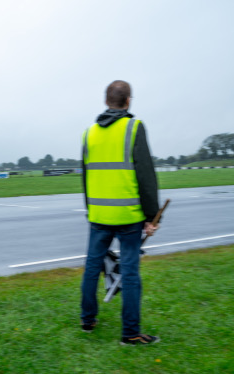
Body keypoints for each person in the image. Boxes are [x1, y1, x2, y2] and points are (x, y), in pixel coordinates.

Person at [80, 80, 161, 345]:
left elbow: (85, 177)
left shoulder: (89, 133)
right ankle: (130, 333)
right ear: (128, 101)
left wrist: (90, 209)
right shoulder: (134, 127)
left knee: (92, 267)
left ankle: (88, 320)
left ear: (106, 102)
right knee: (129, 271)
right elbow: (146, 176)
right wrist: (151, 216)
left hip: (98, 215)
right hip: (128, 216)